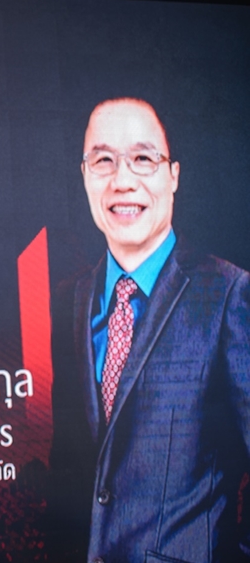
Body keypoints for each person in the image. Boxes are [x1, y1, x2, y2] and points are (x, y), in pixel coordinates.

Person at [48, 98, 250, 562]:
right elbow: (71, 470)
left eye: (143, 158)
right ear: (84, 176)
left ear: (173, 175)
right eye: (103, 160)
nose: (122, 180)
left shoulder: (228, 295)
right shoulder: (71, 299)